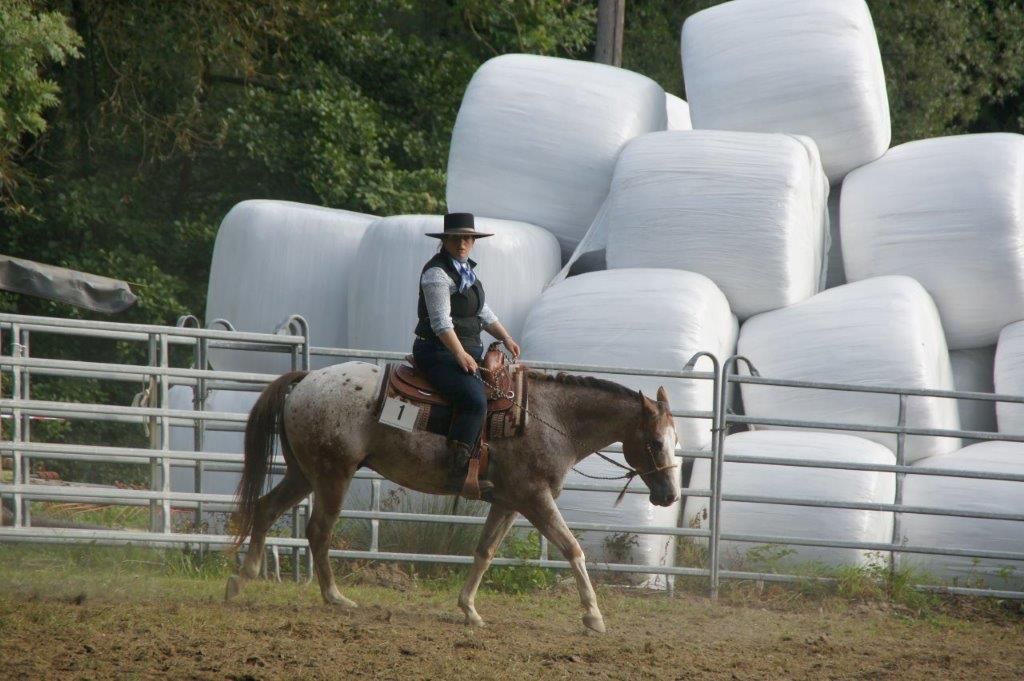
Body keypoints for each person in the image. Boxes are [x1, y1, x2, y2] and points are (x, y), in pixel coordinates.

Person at [413, 212, 521, 494]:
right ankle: (455, 470)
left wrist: (506, 337)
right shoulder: (436, 273)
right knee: (475, 401)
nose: (462, 243)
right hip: (437, 352)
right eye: (456, 237)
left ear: (473, 242)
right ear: (445, 240)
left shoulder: (467, 274)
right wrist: (461, 354)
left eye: (468, 238)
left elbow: (483, 313)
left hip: (461, 352)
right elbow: (441, 322)